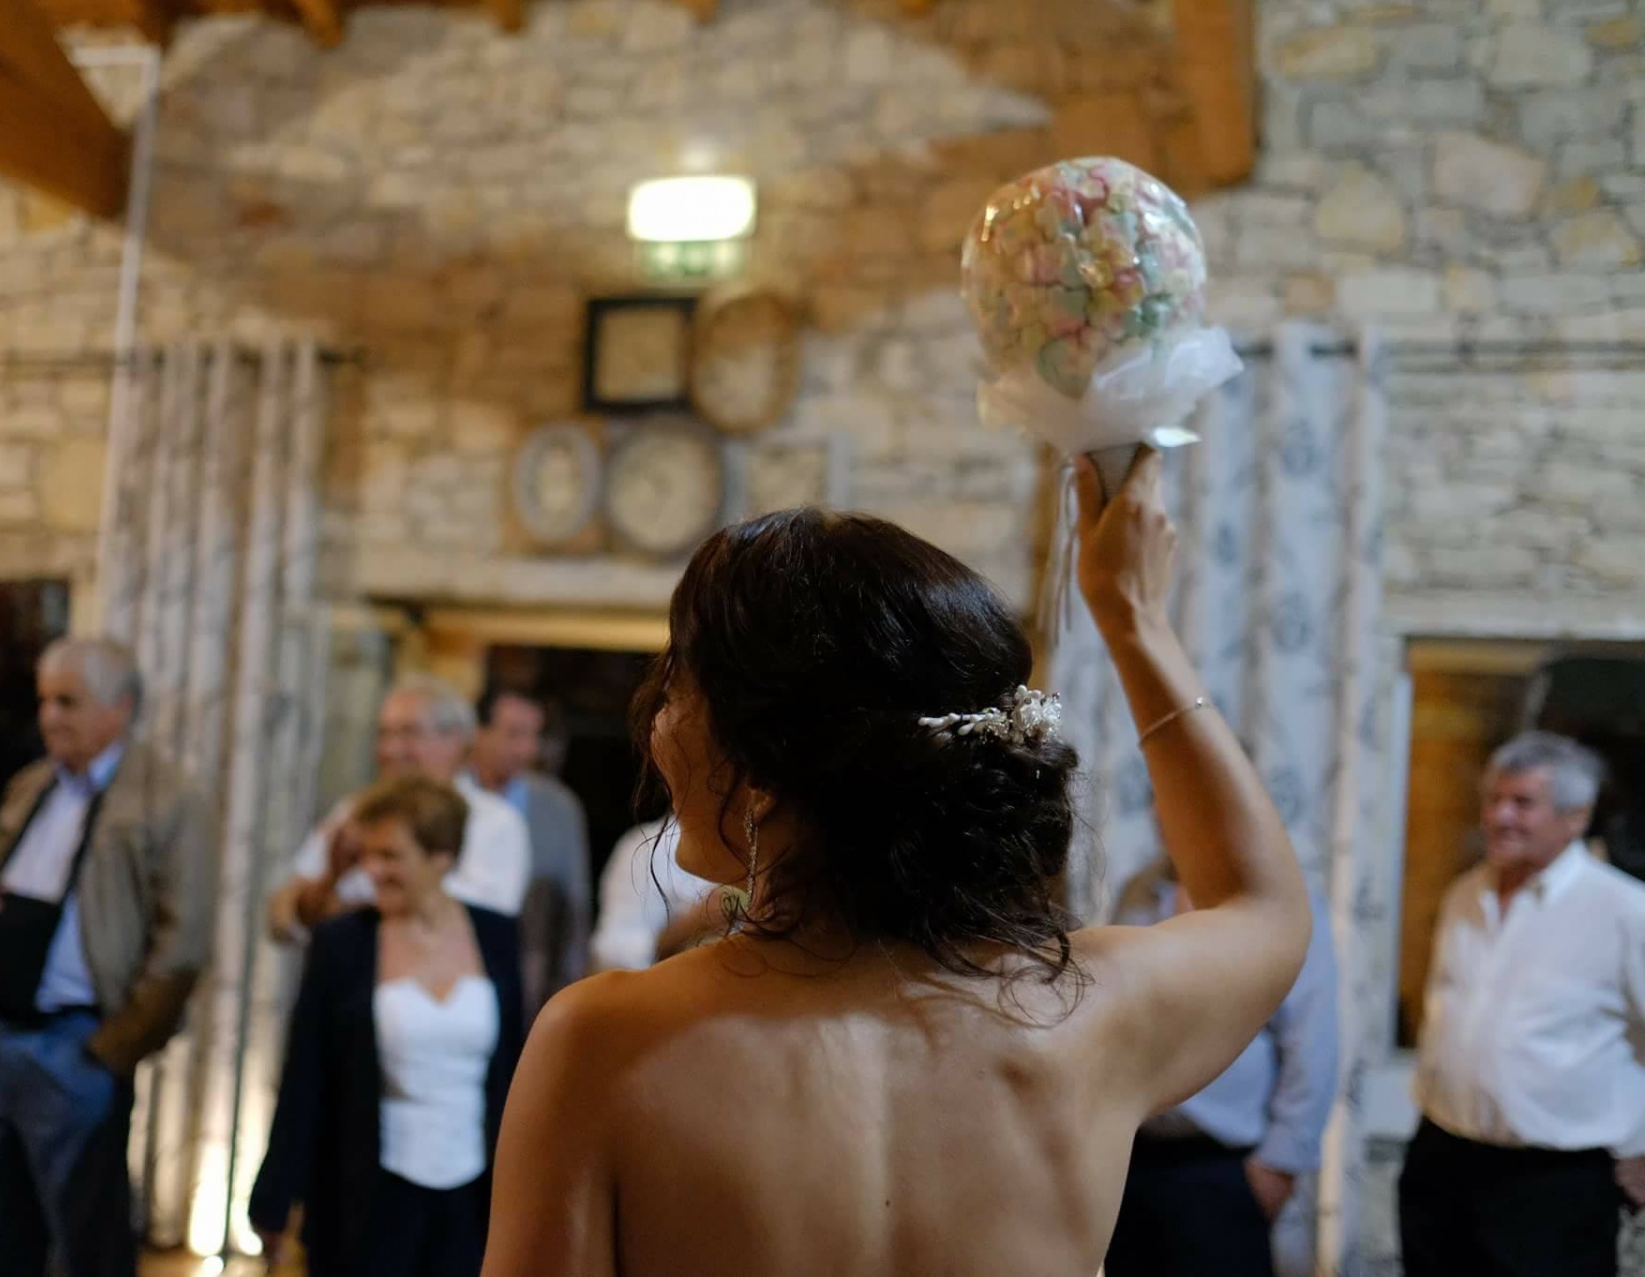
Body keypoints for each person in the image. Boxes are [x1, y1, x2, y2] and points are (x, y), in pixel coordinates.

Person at [479, 453, 1314, 1277]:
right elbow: (1264, 907)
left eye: (677, 689)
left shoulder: (605, 1045)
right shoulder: (1088, 1016)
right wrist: (1134, 618)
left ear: (766, 774)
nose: (657, 725)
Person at [0, 637, 216, 1277]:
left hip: (78, 1046)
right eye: (44, 701)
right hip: (0, 1040)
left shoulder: (167, 798)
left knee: (85, 1239)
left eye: (68, 702)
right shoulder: (32, 785)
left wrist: (114, 1049)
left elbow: (184, 941)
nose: (49, 718)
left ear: (119, 708)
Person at [250, 775, 524, 1277]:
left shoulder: (498, 936)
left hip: (474, 1196)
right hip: (366, 1190)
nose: (373, 870)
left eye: (391, 856)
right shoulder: (343, 944)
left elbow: (512, 1073)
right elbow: (304, 1077)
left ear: (441, 856)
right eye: (368, 856)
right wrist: (274, 1195)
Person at [1400, 731, 1645, 1277]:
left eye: (1522, 803)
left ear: (1575, 817)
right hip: (1442, 1157)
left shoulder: (1624, 910)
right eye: (1493, 799)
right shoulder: (1465, 892)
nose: (1500, 817)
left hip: (1553, 1183)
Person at [1104, 858, 1339, 1277]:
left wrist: (1277, 1168)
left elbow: (1311, 1042)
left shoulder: (1278, 894)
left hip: (1225, 1171)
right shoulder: (1138, 889)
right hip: (1133, 1165)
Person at [268, 676, 529, 940]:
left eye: (409, 733)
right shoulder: (352, 810)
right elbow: (283, 918)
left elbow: (476, 922)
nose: (390, 749)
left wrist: (344, 913)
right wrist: (332, 877)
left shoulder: (494, 822)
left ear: (458, 742)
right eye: (384, 734)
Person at [467, 687, 590, 1017]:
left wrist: (564, 1000)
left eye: (533, 735)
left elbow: (574, 911)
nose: (527, 749)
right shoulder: (451, 798)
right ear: (479, 732)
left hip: (526, 983)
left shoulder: (558, 808)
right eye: (514, 734)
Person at [589, 818, 721, 972]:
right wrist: (690, 927)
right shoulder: (648, 847)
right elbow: (611, 957)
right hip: (671, 989)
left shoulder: (751, 854)